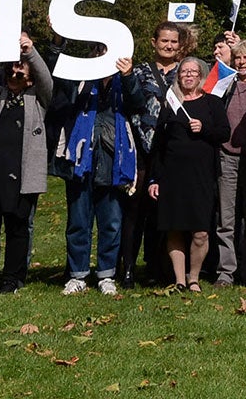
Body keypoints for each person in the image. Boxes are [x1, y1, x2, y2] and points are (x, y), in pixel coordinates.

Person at [0, 35, 54, 294]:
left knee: (18, 228)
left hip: (21, 173)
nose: (15, 72)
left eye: (20, 68)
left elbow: (47, 82)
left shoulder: (37, 100)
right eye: (12, 68)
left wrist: (31, 53)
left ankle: (12, 279)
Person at [57, 54, 146, 296]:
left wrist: (127, 76)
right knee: (78, 221)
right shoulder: (82, 79)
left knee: (111, 222)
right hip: (81, 157)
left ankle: (106, 274)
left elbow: (139, 103)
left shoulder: (125, 79)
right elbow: (62, 92)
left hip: (113, 160)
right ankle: (78, 275)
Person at [143, 55, 230, 290]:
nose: (188, 75)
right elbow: (159, 146)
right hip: (172, 177)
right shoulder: (171, 104)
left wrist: (204, 129)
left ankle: (194, 277)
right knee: (175, 228)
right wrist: (155, 178)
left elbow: (224, 133)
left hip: (201, 177)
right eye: (184, 72)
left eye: (193, 72)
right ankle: (179, 280)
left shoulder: (212, 103)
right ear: (178, 77)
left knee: (200, 231)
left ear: (201, 76)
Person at [122, 20, 191, 287]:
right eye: (164, 41)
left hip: (172, 152)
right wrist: (127, 77)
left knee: (164, 213)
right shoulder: (138, 71)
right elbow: (134, 102)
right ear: (154, 42)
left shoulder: (186, 72)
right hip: (141, 149)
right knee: (134, 211)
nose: (169, 46)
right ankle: (127, 268)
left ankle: (158, 268)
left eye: (174, 42)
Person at [211, 32, 246, 286]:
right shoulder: (224, 84)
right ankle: (226, 271)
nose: (241, 62)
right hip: (226, 156)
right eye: (237, 57)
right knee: (225, 219)